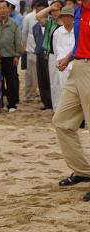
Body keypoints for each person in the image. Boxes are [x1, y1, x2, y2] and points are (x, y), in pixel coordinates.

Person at [52, 0, 90, 201]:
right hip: (78, 67)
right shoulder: (79, 10)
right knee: (61, 121)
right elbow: (82, 40)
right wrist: (68, 57)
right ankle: (83, 171)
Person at [0, 0, 23, 112]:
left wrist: (17, 55)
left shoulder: (14, 24)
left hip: (10, 57)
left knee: (11, 81)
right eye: (0, 8)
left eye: (4, 7)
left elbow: (18, 41)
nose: (2, 10)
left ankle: (12, 104)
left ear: (9, 9)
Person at [36, 0, 64, 111]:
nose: (55, 13)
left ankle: (64, 107)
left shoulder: (68, 23)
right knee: (53, 82)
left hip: (66, 56)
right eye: (53, 11)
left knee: (64, 82)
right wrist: (50, 7)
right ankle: (56, 107)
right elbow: (38, 16)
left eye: (58, 10)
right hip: (52, 55)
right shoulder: (50, 22)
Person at [22, 0, 47, 102]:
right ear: (34, 7)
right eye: (38, 7)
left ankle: (41, 94)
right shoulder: (28, 17)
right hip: (31, 48)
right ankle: (29, 94)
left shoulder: (48, 17)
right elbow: (25, 32)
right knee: (30, 74)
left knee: (41, 74)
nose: (40, 9)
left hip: (45, 51)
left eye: (42, 8)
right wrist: (24, 46)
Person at [52, 6, 75, 108]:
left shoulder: (78, 31)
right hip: (63, 67)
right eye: (63, 16)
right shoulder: (57, 32)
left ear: (72, 17)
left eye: (68, 16)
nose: (66, 19)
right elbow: (56, 50)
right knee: (64, 91)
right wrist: (60, 63)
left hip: (76, 65)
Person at [33, 19, 53, 110]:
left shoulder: (52, 24)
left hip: (50, 54)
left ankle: (53, 101)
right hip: (40, 54)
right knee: (42, 79)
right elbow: (36, 40)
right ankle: (46, 102)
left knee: (51, 79)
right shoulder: (35, 26)